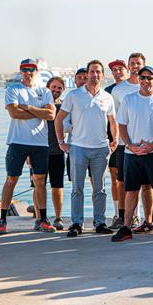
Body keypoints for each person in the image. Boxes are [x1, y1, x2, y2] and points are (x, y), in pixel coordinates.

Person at [55, 60, 117, 236]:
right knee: (77, 188)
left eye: (98, 72)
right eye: (92, 71)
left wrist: (115, 141)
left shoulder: (107, 97)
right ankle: (76, 223)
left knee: (100, 189)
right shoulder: (74, 95)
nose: (95, 75)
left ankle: (100, 223)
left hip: (101, 149)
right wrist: (61, 142)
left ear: (102, 75)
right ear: (87, 74)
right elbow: (59, 119)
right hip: (78, 148)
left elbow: (113, 121)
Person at [0, 58, 57, 235]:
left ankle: (42, 219)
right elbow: (14, 113)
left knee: (40, 181)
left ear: (36, 72)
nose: (28, 72)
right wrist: (39, 113)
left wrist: (28, 107)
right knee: (11, 180)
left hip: (39, 143)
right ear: (21, 71)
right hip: (18, 142)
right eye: (25, 69)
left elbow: (51, 115)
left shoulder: (44, 91)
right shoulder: (13, 89)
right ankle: (2, 220)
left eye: (31, 69)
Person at [112, 65, 153, 242]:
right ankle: (126, 227)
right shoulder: (129, 99)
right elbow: (121, 125)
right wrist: (129, 144)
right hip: (133, 153)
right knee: (131, 191)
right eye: (142, 77)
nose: (145, 81)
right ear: (138, 79)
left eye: (149, 78)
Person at [105, 59, 128, 229]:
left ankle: (137, 215)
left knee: (138, 180)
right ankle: (117, 213)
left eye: (121, 69)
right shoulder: (107, 91)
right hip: (114, 139)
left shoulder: (136, 87)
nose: (118, 72)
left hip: (132, 139)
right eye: (114, 70)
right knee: (116, 177)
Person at [45, 77, 67, 230]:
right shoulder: (40, 104)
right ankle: (41, 217)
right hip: (39, 150)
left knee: (57, 186)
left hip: (57, 151)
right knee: (38, 185)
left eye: (59, 88)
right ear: (47, 87)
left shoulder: (65, 106)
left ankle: (58, 217)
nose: (56, 90)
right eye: (53, 87)